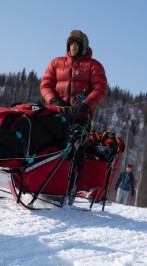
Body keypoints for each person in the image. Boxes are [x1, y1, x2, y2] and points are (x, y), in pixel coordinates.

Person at [40, 29, 107, 205]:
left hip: (81, 117)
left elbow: (100, 88)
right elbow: (45, 84)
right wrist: (53, 100)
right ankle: (46, 184)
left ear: (83, 46)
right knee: (52, 148)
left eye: (76, 44)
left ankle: (70, 189)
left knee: (77, 152)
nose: (72, 47)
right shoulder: (56, 63)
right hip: (58, 114)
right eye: (70, 43)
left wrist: (85, 105)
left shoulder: (94, 66)